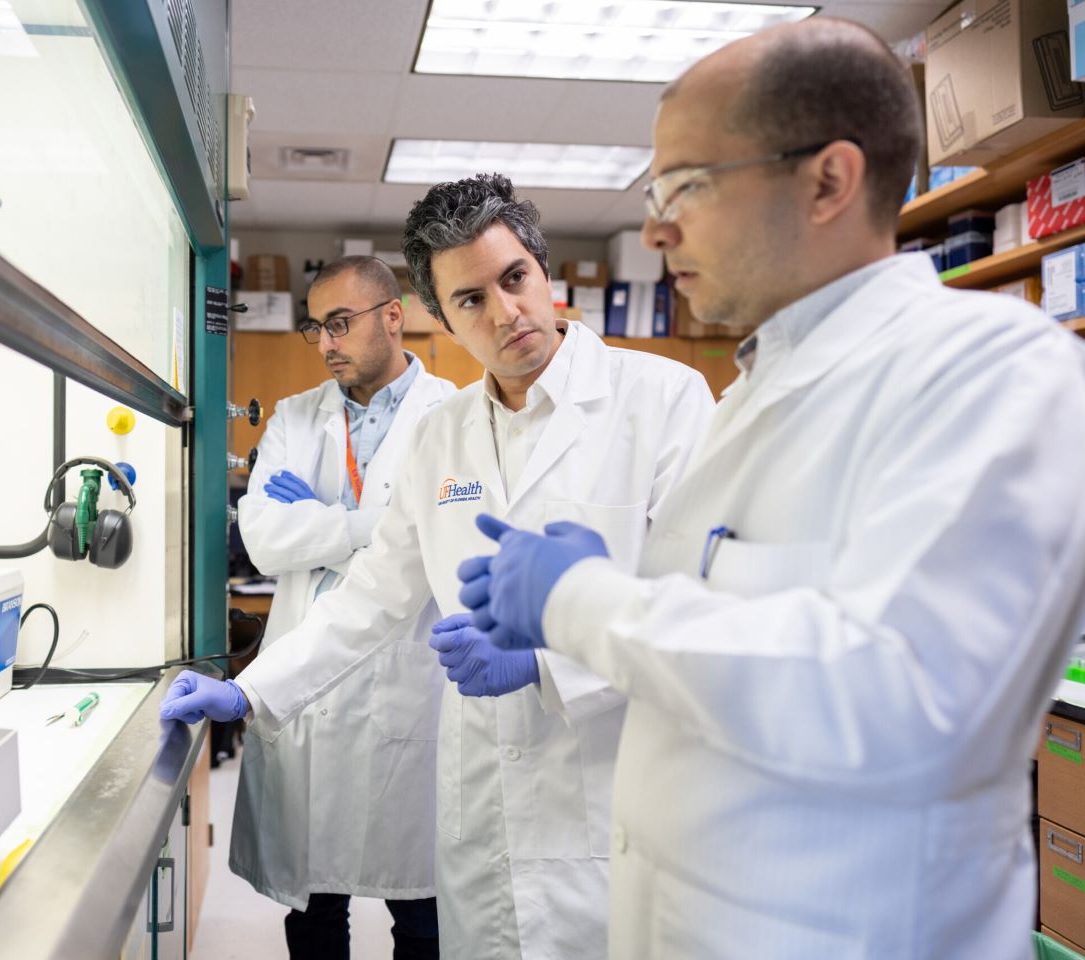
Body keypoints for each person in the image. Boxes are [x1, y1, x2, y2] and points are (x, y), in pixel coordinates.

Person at [458, 18, 1085, 960]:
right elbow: (731, 643)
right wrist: (610, 598)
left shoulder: (996, 371)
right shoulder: (756, 393)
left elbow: (897, 692)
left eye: (685, 188)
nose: (657, 227)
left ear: (827, 180)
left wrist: (581, 601)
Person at [161, 173, 714, 958]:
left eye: (514, 279)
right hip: (480, 817)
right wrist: (249, 691)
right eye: (470, 301)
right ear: (440, 318)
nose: (505, 313)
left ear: (543, 270)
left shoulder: (663, 400)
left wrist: (546, 662)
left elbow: (697, 607)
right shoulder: (441, 436)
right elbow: (372, 599)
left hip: (613, 812)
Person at [208, 256, 454, 959]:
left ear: (393, 316)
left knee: (422, 907)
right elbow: (261, 535)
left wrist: (320, 522)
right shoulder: (295, 415)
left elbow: (436, 539)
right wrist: (370, 526)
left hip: (406, 682)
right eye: (317, 328)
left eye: (340, 324)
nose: (326, 343)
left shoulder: (452, 417)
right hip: (304, 684)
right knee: (313, 905)